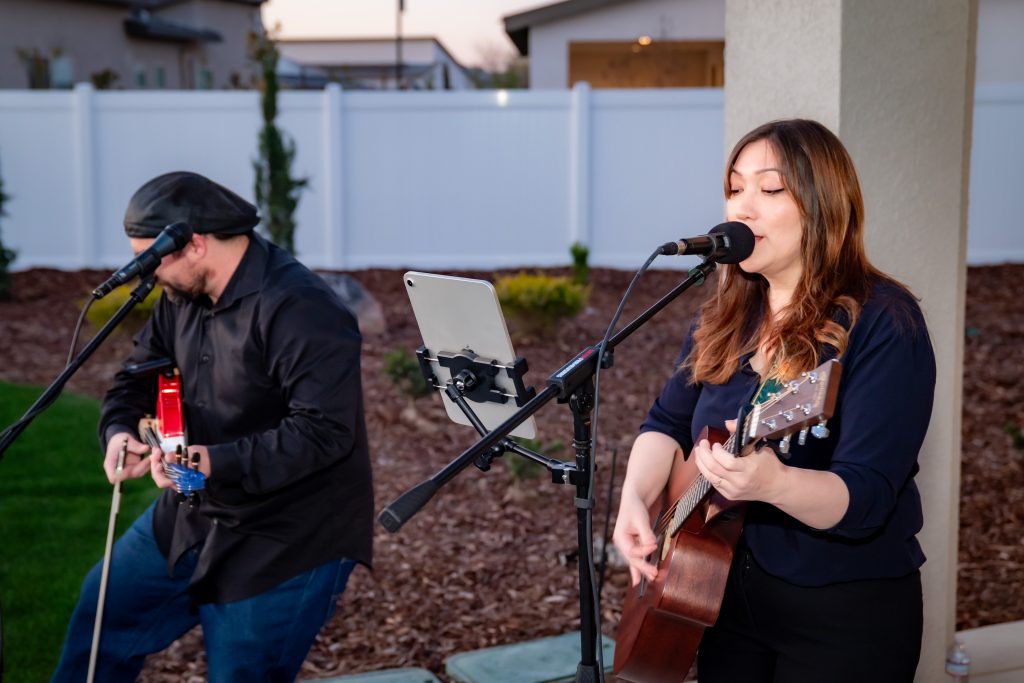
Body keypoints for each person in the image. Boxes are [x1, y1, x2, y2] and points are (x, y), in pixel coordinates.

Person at [612, 119, 935, 682]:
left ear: (823, 204)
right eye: (735, 189)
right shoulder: (727, 315)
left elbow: (866, 497)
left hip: (845, 613)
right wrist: (635, 500)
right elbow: (666, 422)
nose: (742, 208)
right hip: (721, 596)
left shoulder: (886, 321)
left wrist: (773, 485)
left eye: (769, 188)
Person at [52, 171, 374, 682]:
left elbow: (324, 433)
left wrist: (208, 460)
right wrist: (119, 433)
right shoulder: (181, 298)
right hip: (192, 509)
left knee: (241, 673)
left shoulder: (301, 307)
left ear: (195, 245)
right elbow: (134, 381)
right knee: (101, 620)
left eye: (152, 260)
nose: (149, 275)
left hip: (285, 536)